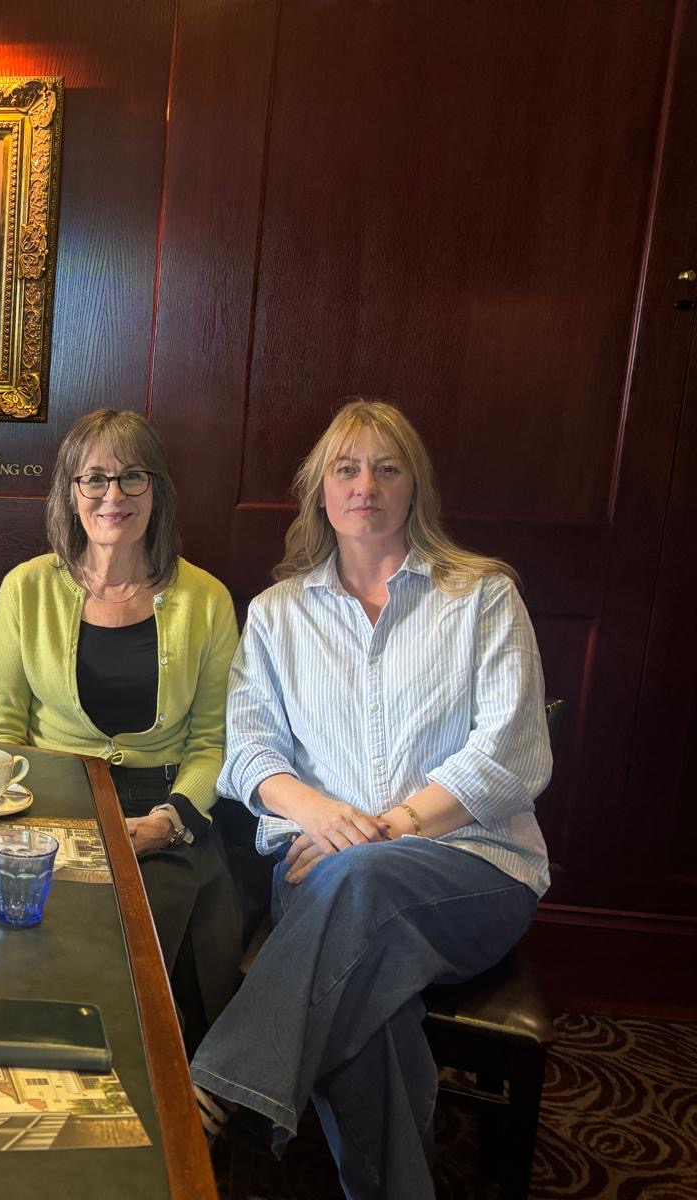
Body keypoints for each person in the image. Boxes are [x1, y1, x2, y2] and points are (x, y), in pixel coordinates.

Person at [191, 400, 551, 1200]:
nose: (366, 485)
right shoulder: (278, 615)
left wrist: (384, 830)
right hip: (321, 870)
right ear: (320, 491)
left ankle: (216, 1089)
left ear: (414, 486)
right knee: (370, 996)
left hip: (473, 872)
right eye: (346, 469)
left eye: (388, 468)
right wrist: (320, 815)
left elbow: (509, 757)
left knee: (359, 884)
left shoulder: (482, 596)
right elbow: (247, 753)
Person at [0, 409, 242, 1050]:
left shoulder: (206, 600)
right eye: (94, 479)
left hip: (166, 813)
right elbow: (1, 727)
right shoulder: (26, 589)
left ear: (158, 490)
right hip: (50, 803)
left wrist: (168, 821)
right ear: (71, 493)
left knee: (159, 916)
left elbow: (214, 742)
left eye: (132, 477)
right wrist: (31, 823)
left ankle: (166, 1083)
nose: (113, 495)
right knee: (43, 924)